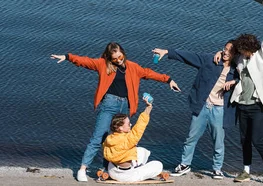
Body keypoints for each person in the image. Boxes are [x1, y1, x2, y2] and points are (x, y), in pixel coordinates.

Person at [50, 42, 180, 182]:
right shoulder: (103, 64)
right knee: (99, 137)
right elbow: (86, 62)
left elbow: (148, 73)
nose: (118, 60)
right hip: (109, 104)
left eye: (120, 57)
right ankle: (83, 168)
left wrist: (168, 80)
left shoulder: (132, 67)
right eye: (115, 59)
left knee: (120, 139)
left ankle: (108, 168)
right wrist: (67, 57)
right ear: (109, 58)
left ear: (123, 52)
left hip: (125, 105)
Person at [151, 40, 239, 179]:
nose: (225, 52)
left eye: (230, 51)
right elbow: (189, 56)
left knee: (218, 141)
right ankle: (185, 164)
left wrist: (234, 81)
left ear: (236, 54)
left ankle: (217, 169)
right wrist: (167, 51)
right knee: (191, 137)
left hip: (220, 109)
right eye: (225, 48)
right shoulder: (210, 60)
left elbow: (249, 78)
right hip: (203, 105)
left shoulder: (237, 70)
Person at [229, 1, 263, 185]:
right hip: (242, 105)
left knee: (257, 139)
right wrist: (221, 52)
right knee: (244, 140)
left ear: (250, 48)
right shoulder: (241, 58)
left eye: (243, 50)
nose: (242, 53)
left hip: (258, 106)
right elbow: (229, 50)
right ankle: (246, 171)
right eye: (240, 51)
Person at [103, 95, 163, 182]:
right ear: (120, 128)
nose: (130, 125)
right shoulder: (128, 139)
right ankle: (137, 168)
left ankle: (135, 166)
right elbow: (140, 126)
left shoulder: (109, 138)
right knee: (158, 165)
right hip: (126, 176)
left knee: (141, 150)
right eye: (128, 124)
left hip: (112, 170)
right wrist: (149, 107)